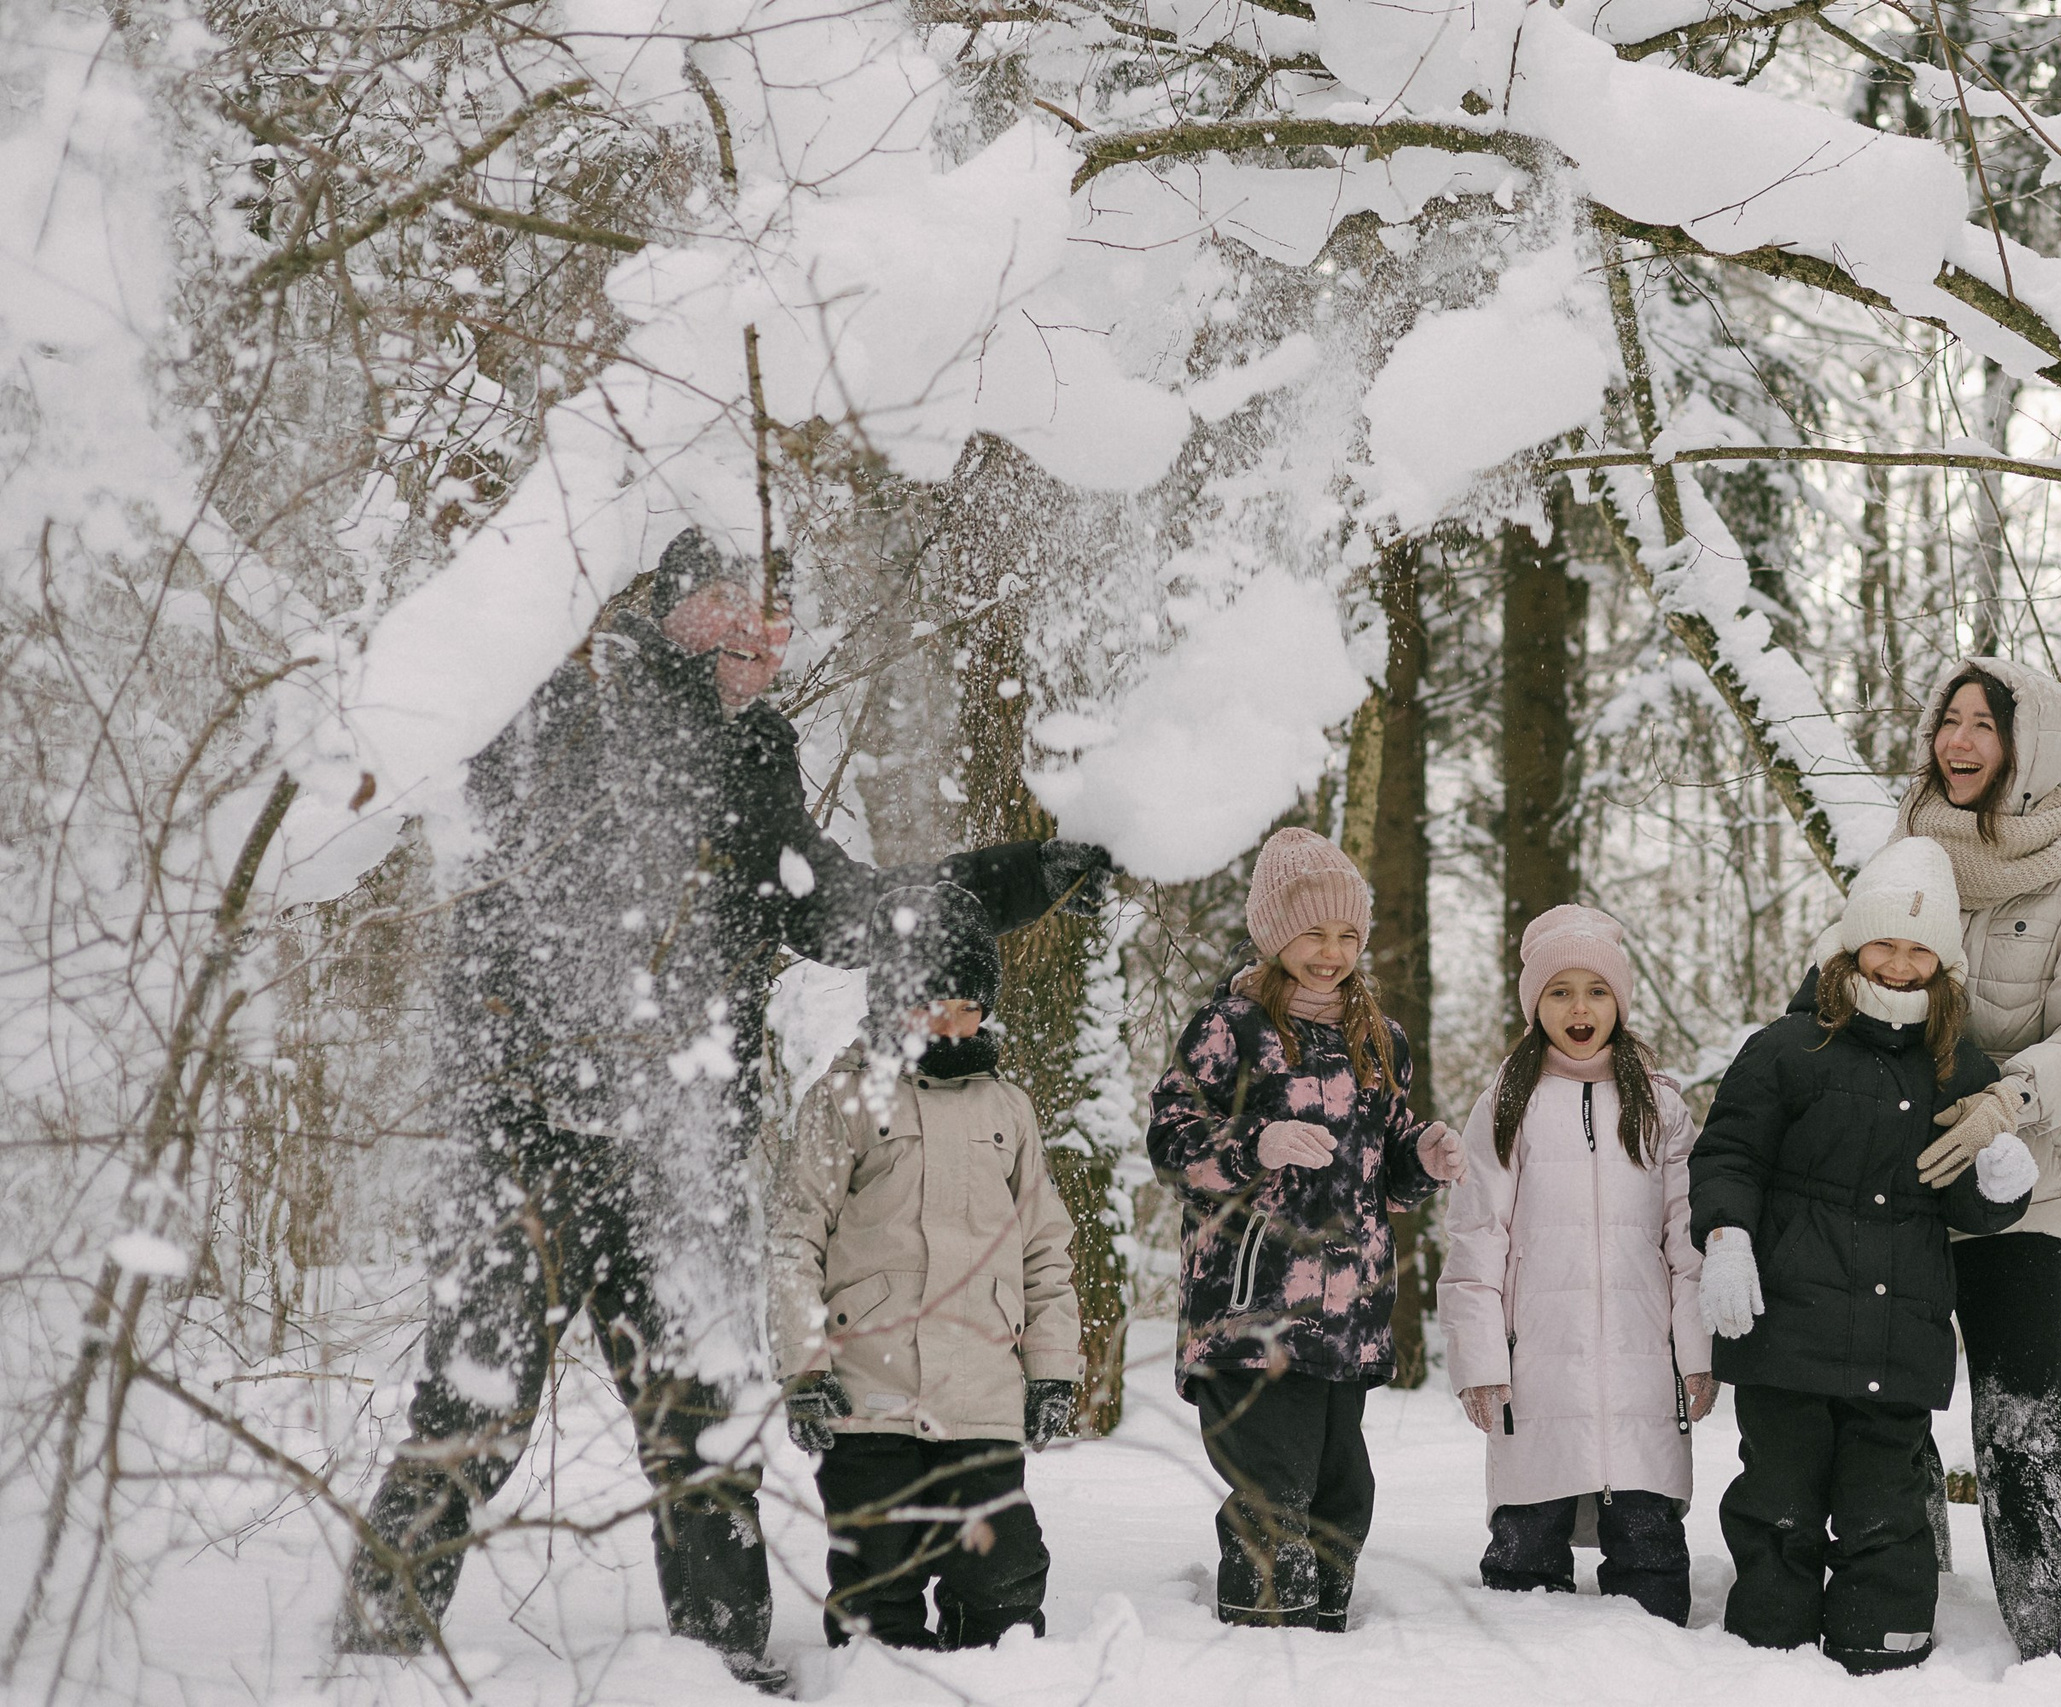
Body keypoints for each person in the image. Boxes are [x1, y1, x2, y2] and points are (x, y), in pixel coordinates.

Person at [335, 530, 1116, 1691]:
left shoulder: (755, 751)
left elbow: (831, 906)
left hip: (677, 1152)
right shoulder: (563, 699)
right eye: (726, 601)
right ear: (669, 610)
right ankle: (375, 1653)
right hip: (525, 1133)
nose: (759, 628)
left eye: (777, 611)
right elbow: (485, 848)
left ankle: (721, 1664)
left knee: (701, 1421)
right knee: (475, 1405)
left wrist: (999, 881)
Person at [1690, 837, 2038, 1674]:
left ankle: (1882, 1645)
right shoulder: (1786, 1047)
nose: (1900, 962)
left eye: (1920, 948)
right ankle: (1767, 1644)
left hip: (1897, 1332)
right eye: (1884, 941)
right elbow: (1728, 1153)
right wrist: (1727, 1235)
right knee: (1778, 1497)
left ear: (1944, 961)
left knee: (1887, 1505)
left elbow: (1968, 1202)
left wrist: (1999, 1180)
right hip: (1791, 1331)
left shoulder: (1960, 1066)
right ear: (1850, 946)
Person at [1143, 827, 1466, 1630]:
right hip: (1253, 1311)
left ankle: (1325, 1639)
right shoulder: (1229, 1027)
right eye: (1314, 933)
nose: (1332, 951)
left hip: (1346, 1319)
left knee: (1342, 1493)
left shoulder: (1378, 1041)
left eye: (1348, 934)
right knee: (1274, 1487)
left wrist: (1423, 1153)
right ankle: (1264, 1646)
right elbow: (1172, 1138)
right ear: (1275, 933)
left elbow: (1387, 1169)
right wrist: (1255, 1143)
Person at [1894, 657, 2061, 1659]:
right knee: (1885, 1400)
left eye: (1981, 727)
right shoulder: (1907, 854)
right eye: (1946, 721)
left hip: (2015, 1192)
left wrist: (2010, 1099)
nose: (1956, 743)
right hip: (1897, 1188)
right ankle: (1891, 1588)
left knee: (2016, 1411)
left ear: (2026, 748)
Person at [770, 882, 1080, 1651]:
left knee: (1003, 1574)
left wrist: (1051, 1367)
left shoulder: (1008, 1109)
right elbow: (793, 1239)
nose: (950, 1019)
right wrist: (805, 1367)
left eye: (968, 1002)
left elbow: (1045, 1246)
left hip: (981, 1396)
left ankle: (999, 1677)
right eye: (929, 999)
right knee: (878, 1581)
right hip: (869, 1393)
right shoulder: (843, 1099)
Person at [1441, 904, 1713, 1626]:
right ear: (1536, 1004)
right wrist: (1479, 1363)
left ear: (1619, 1000)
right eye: (1560, 990)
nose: (1580, 1006)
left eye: (1596, 989)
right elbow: (1474, 1248)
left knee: (1652, 1560)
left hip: (1642, 1371)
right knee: (1526, 1564)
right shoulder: (1506, 1103)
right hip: (1536, 1373)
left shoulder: (1661, 1108)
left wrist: (1696, 1356)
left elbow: (1687, 1246)